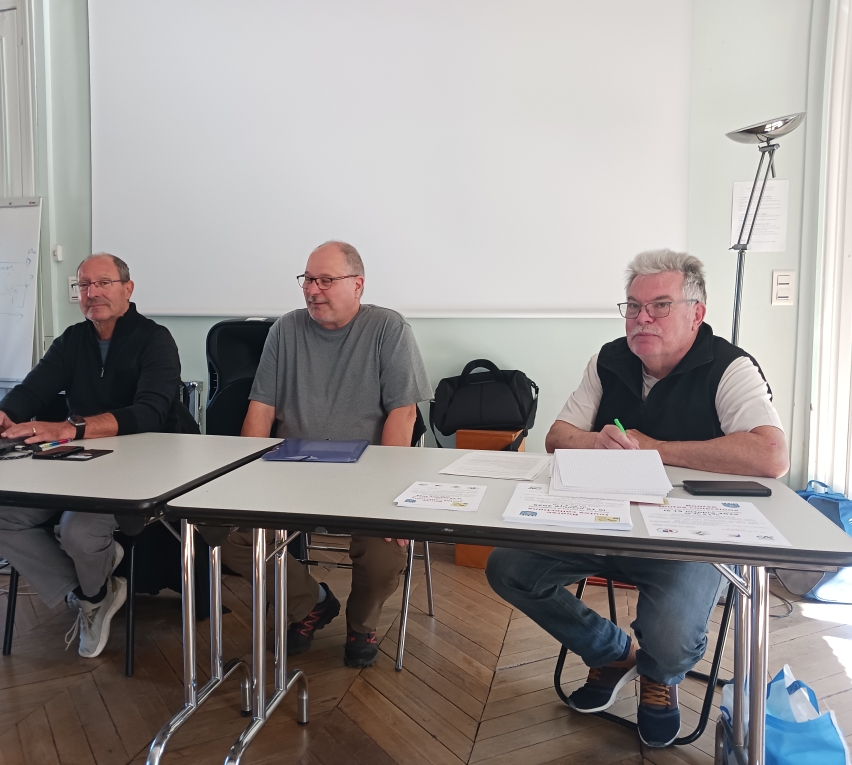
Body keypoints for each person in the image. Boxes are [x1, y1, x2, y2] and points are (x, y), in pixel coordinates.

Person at [486, 249, 788, 748]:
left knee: (669, 637)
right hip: (599, 521)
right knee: (508, 567)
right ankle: (613, 653)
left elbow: (771, 455)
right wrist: (595, 441)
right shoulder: (609, 360)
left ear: (696, 312)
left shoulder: (729, 367)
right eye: (633, 306)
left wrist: (657, 449)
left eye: (660, 305)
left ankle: (658, 675)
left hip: (687, 538)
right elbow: (557, 437)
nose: (642, 318)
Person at [214, 240, 433, 668]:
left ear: (358, 285)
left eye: (326, 280)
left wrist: (390, 493)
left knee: (384, 553)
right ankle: (310, 602)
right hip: (291, 472)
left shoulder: (388, 328)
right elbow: (261, 409)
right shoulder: (286, 330)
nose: (313, 290)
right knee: (225, 536)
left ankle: (361, 624)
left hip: (366, 476)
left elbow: (403, 413)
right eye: (308, 279)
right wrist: (243, 479)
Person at [0, 253, 184, 658]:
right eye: (84, 285)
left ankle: (93, 589)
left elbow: (149, 413)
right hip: (77, 464)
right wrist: (3, 415)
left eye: (103, 283)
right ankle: (93, 594)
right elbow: (32, 390)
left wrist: (72, 427)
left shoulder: (155, 339)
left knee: (79, 531)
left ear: (127, 289)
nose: (92, 293)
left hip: (141, 470)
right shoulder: (71, 340)